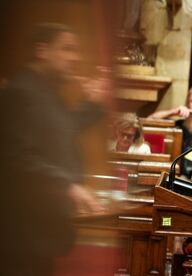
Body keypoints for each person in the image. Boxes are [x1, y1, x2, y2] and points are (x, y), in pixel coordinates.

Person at [0, 23, 104, 275]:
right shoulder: (20, 92)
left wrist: (91, 104)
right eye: (67, 49)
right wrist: (68, 186)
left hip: (39, 230)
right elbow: (17, 156)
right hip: (21, 230)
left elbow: (62, 128)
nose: (75, 57)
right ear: (42, 50)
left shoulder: (44, 91)